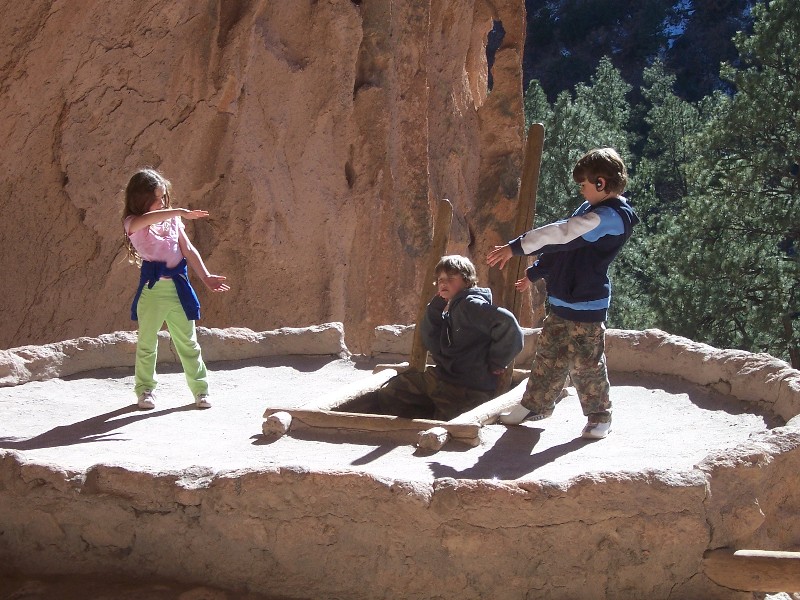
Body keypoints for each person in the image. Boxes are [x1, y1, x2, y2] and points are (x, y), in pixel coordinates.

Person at [486, 148, 639, 439]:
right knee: (548, 354)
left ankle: (599, 416)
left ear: (600, 183)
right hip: (562, 299)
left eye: (583, 185)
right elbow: (561, 251)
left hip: (587, 303)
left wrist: (516, 247)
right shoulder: (590, 210)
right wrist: (535, 273)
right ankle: (536, 404)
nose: (581, 192)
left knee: (586, 362)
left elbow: (562, 235)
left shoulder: (611, 218)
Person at [122, 168, 230, 410]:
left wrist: (205, 276)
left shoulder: (171, 219)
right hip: (152, 291)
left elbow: (188, 249)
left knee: (188, 343)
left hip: (178, 288)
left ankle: (201, 390)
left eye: (163, 198)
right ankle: (145, 390)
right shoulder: (133, 222)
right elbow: (145, 221)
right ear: (141, 200)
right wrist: (179, 211)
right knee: (147, 343)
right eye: (157, 199)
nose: (162, 203)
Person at [372, 255, 524, 421]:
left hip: (466, 387)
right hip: (442, 378)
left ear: (467, 281)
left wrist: (497, 361)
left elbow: (509, 325)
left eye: (451, 278)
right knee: (392, 392)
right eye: (440, 279)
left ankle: (432, 419)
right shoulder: (455, 305)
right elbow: (431, 336)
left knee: (448, 424)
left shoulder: (470, 305)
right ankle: (427, 416)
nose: (443, 283)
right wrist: (437, 305)